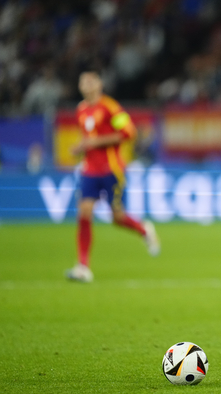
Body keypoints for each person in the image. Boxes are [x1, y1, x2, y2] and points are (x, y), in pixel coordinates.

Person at [66, 71, 160, 283]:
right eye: (83, 81)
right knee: (84, 212)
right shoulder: (81, 110)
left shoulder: (111, 107)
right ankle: (83, 266)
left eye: (91, 81)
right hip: (89, 170)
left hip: (112, 170)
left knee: (117, 217)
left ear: (100, 84)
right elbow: (87, 138)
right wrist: (81, 147)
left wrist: (95, 142)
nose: (86, 85)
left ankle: (144, 229)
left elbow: (130, 132)